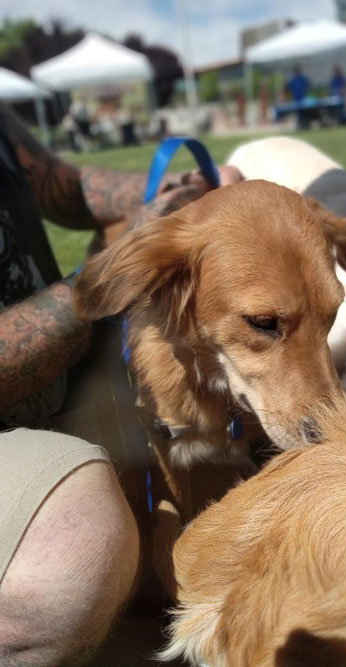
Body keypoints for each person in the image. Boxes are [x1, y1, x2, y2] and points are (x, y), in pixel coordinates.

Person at [0, 102, 241, 666]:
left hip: (62, 389)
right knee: (75, 543)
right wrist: (120, 264)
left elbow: (65, 185)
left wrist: (184, 192)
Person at [286, 65, 311, 129]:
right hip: (296, 99)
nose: (297, 72)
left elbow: (308, 85)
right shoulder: (292, 80)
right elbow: (288, 88)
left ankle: (306, 124)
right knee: (298, 113)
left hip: (303, 98)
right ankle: (300, 125)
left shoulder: (303, 78)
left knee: (304, 112)